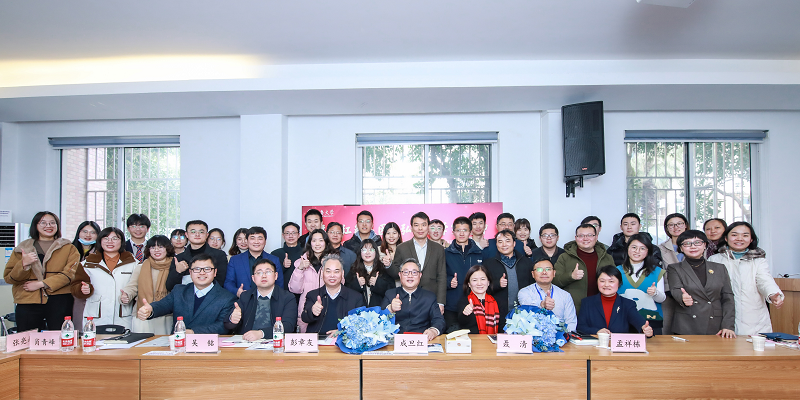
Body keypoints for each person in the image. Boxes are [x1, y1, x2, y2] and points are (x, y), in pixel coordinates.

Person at [5, 211, 80, 332]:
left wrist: (41, 284)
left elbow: (70, 274)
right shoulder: (22, 248)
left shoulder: (68, 247)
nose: (48, 226)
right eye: (43, 223)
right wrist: (24, 264)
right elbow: (9, 278)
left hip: (59, 299)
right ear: (35, 225)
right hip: (28, 299)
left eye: (52, 223)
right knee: (27, 338)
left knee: (61, 337)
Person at [709, 222, 784, 336]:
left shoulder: (758, 260)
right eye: (734, 235)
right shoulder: (714, 259)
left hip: (753, 318)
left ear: (751, 239)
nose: (739, 238)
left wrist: (773, 294)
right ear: (726, 238)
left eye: (745, 235)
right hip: (723, 316)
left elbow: (765, 280)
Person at [137, 254, 236, 334]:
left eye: (207, 269)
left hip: (209, 347)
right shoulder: (179, 291)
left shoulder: (227, 298)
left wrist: (193, 332)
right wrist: (150, 310)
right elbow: (163, 305)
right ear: (190, 272)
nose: (202, 273)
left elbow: (223, 326)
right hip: (179, 345)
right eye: (197, 269)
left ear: (215, 272)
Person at [667, 230, 735, 338]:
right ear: (681, 248)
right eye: (687, 243)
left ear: (705, 245)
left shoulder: (719, 268)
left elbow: (728, 298)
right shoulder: (674, 268)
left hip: (716, 325)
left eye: (697, 242)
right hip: (687, 325)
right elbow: (676, 289)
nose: (693, 246)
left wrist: (728, 325)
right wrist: (682, 298)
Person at [72, 227, 138, 329]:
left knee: (123, 338)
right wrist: (82, 289)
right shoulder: (87, 264)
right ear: (100, 241)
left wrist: (130, 295)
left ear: (122, 241)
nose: (110, 242)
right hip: (96, 318)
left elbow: (139, 286)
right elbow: (75, 287)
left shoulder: (133, 263)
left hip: (123, 317)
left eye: (115, 238)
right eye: (106, 238)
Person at [224, 259, 298, 340]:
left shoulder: (287, 297)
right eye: (259, 273)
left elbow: (288, 326)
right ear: (253, 278)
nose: (264, 276)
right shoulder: (245, 296)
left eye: (268, 272)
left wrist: (262, 333)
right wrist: (232, 319)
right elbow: (227, 324)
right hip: (247, 342)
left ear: (276, 276)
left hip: (276, 342)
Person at [388, 212, 447, 312]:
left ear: (428, 227)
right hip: (407, 299)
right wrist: (388, 265)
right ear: (411, 228)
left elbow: (442, 276)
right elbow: (396, 274)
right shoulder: (402, 248)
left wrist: (441, 302)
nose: (420, 228)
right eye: (416, 225)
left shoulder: (438, 249)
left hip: (431, 299)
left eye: (423, 225)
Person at [552, 224, 615, 314]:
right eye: (581, 235)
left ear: (596, 237)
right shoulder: (564, 257)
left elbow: (616, 281)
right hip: (574, 309)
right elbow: (554, 281)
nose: (585, 239)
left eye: (590, 235)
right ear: (576, 238)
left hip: (602, 308)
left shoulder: (607, 258)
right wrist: (570, 276)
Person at [576, 265, 654, 337]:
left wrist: (646, 330)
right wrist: (597, 331)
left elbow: (639, 322)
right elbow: (580, 327)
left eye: (611, 281)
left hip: (619, 345)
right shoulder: (587, 303)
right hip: (594, 345)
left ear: (619, 283)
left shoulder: (628, 304)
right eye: (602, 281)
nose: (606, 285)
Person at [121, 235, 176, 334]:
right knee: (142, 343)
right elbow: (132, 286)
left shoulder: (175, 266)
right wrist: (126, 295)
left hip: (166, 316)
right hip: (143, 313)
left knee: (164, 343)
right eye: (153, 247)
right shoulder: (141, 267)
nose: (156, 250)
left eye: (160, 247)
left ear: (167, 248)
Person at [289, 229, 340, 332]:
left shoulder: (334, 261)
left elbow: (340, 285)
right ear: (310, 243)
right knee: (307, 340)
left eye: (321, 240)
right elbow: (295, 289)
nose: (317, 244)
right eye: (314, 240)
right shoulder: (301, 262)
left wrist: (327, 267)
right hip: (307, 309)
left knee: (329, 339)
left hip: (329, 307)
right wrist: (300, 269)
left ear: (326, 242)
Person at [381, 258, 445, 341]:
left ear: (420, 275)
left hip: (422, 340)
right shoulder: (390, 294)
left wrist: (433, 331)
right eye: (406, 272)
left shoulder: (429, 297)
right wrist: (390, 309)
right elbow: (379, 319)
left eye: (414, 272)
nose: (410, 276)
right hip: (396, 340)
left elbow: (439, 320)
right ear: (400, 275)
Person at [482, 230, 534, 328]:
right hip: (498, 314)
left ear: (514, 243)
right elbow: (481, 289)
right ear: (496, 244)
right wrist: (497, 284)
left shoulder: (526, 262)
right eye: (500, 241)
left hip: (524, 315)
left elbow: (533, 287)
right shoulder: (488, 264)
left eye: (507, 241)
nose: (504, 245)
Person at [616, 233, 666, 335]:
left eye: (642, 248)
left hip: (650, 321)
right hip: (623, 320)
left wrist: (655, 293)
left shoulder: (657, 271)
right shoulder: (617, 271)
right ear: (627, 249)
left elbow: (662, 299)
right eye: (634, 247)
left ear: (648, 251)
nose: (637, 251)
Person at [302, 254, 365, 335]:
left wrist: (342, 331)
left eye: (336, 271)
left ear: (342, 273)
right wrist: (312, 311)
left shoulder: (356, 297)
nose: (332, 275)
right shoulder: (313, 295)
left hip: (343, 341)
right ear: (322, 273)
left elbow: (360, 324)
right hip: (318, 341)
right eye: (328, 271)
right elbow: (304, 318)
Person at [444, 216, 483, 332]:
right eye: (458, 230)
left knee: (474, 338)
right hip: (452, 305)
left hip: (474, 304)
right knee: (452, 337)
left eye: (465, 230)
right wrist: (449, 282)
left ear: (470, 232)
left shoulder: (479, 253)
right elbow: (438, 277)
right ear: (453, 232)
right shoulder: (445, 253)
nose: (461, 233)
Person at [518, 258, 578, 332]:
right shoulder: (524, 292)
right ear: (533, 274)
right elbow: (526, 305)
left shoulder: (565, 295)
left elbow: (571, 323)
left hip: (560, 336)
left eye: (548, 269)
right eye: (539, 269)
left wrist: (565, 337)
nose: (544, 272)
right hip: (532, 336)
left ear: (554, 273)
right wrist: (542, 304)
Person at [166, 220, 229, 290]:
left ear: (207, 235)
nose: (197, 235)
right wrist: (177, 271)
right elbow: (170, 287)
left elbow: (220, 282)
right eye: (193, 232)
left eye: (201, 232)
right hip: (183, 296)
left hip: (211, 295)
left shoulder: (219, 255)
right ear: (186, 235)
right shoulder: (178, 258)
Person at [224, 226, 282, 297]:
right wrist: (237, 292)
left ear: (265, 241)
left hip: (268, 301)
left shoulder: (274, 260)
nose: (256, 242)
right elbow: (228, 283)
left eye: (260, 238)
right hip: (242, 301)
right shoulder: (235, 260)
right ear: (247, 241)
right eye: (252, 238)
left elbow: (279, 284)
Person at [657, 212, 689, 335]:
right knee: (666, 330)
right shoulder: (660, 248)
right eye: (671, 225)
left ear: (685, 225)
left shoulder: (696, 246)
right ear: (667, 228)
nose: (676, 227)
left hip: (692, 293)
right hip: (668, 293)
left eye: (679, 223)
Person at [345, 239, 394, 307]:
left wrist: (378, 284)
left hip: (379, 310)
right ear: (360, 252)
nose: (367, 253)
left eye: (371, 250)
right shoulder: (354, 269)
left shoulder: (383, 269)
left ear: (376, 252)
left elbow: (391, 291)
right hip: (359, 311)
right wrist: (357, 284)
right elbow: (346, 291)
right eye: (364, 250)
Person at [456, 265, 500, 334]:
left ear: (488, 282)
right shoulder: (464, 301)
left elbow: (503, 327)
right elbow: (461, 323)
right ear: (469, 284)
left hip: (493, 340)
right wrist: (465, 314)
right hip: (472, 340)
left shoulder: (498, 302)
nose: (479, 283)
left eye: (483, 279)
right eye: (474, 280)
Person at [270, 222, 304, 292]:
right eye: (287, 233)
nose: (290, 236)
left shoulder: (305, 253)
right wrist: (283, 267)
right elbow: (270, 275)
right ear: (283, 235)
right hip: (281, 293)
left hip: (302, 292)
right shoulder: (275, 254)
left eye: (293, 233)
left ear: (298, 235)